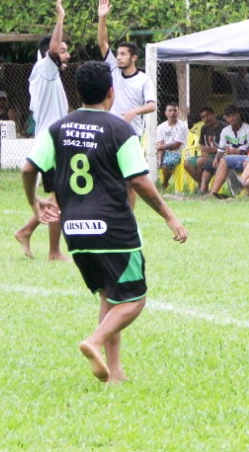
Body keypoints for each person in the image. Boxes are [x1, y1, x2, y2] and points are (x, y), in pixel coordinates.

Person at [21, 60, 188, 383]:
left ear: (78, 92)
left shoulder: (57, 128)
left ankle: (115, 372)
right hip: (114, 228)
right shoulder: (120, 130)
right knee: (135, 299)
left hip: (74, 231)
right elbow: (138, 181)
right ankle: (94, 340)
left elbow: (29, 169)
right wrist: (170, 217)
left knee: (109, 297)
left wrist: (34, 202)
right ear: (111, 94)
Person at [15, 0, 72, 261]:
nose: (66, 53)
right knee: (61, 196)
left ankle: (27, 232)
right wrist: (60, 17)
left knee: (60, 196)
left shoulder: (48, 75)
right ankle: (53, 252)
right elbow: (52, 49)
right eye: (63, 49)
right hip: (51, 143)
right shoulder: (45, 67)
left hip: (54, 141)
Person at [96, 0, 157, 136]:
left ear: (134, 57)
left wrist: (135, 111)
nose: (118, 57)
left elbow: (152, 105)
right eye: (118, 54)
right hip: (111, 131)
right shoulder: (114, 69)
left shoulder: (144, 80)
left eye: (123, 54)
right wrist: (102, 17)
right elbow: (102, 43)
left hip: (132, 133)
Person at [206, 106, 249, 198]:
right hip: (231, 158)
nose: (233, 118)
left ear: (239, 115)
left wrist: (240, 151)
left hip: (248, 157)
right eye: (229, 116)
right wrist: (217, 158)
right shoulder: (225, 131)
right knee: (219, 161)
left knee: (225, 160)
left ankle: (247, 195)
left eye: (235, 115)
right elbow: (221, 149)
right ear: (225, 118)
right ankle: (212, 194)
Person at [182, 107, 224, 195]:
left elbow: (229, 147)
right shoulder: (204, 128)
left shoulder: (223, 128)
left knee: (200, 161)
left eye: (208, 115)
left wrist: (213, 149)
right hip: (207, 155)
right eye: (203, 117)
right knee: (187, 164)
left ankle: (202, 189)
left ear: (213, 115)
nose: (206, 119)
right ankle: (203, 186)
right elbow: (202, 144)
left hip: (221, 156)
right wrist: (203, 152)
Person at [155, 103, 188, 190]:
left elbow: (176, 145)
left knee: (166, 165)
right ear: (165, 113)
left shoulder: (182, 126)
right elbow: (160, 144)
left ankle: (164, 184)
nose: (172, 113)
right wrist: (159, 160)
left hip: (178, 152)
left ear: (178, 113)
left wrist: (161, 148)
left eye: (175, 110)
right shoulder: (161, 127)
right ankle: (151, 186)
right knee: (149, 161)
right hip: (163, 151)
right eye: (170, 110)